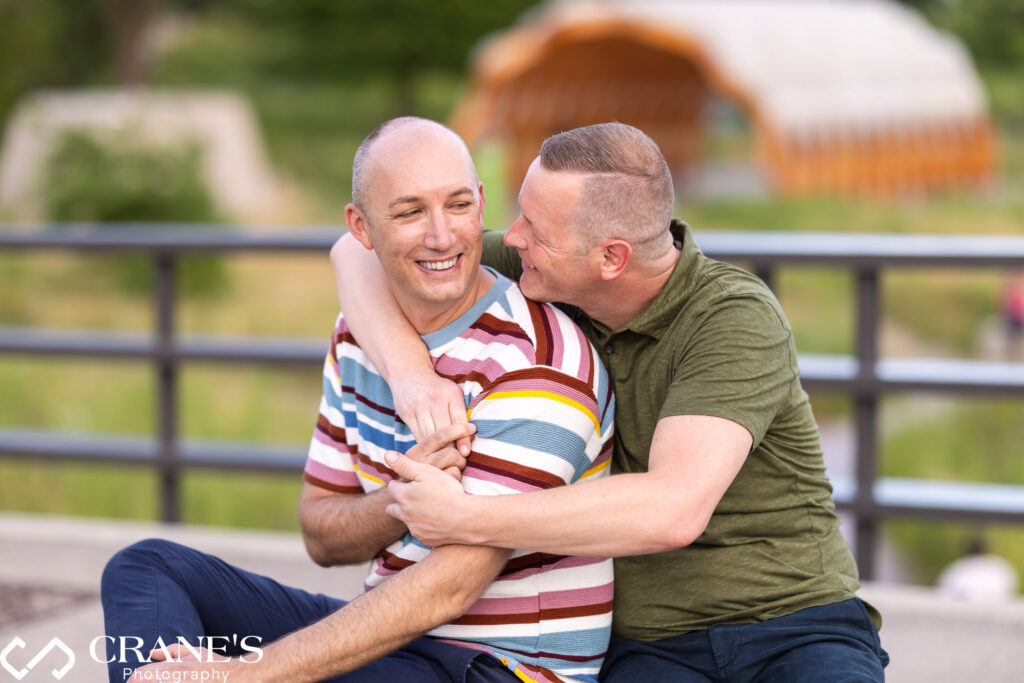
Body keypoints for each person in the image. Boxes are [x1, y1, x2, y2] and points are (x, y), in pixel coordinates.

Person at [330, 122, 890, 682]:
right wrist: (409, 376)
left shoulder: (733, 317)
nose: (514, 237)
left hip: (798, 625)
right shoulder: (545, 273)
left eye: (534, 228)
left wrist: (466, 517)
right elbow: (353, 253)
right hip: (651, 647)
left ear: (611, 259)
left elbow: (673, 509)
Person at [100, 117, 614, 683]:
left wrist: (235, 674)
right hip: (394, 642)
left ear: (482, 204)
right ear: (361, 227)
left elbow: (451, 587)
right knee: (147, 569)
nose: (441, 235)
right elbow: (320, 530)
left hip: (499, 668)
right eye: (410, 212)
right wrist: (398, 498)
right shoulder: (358, 336)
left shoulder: (536, 360)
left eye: (458, 205)